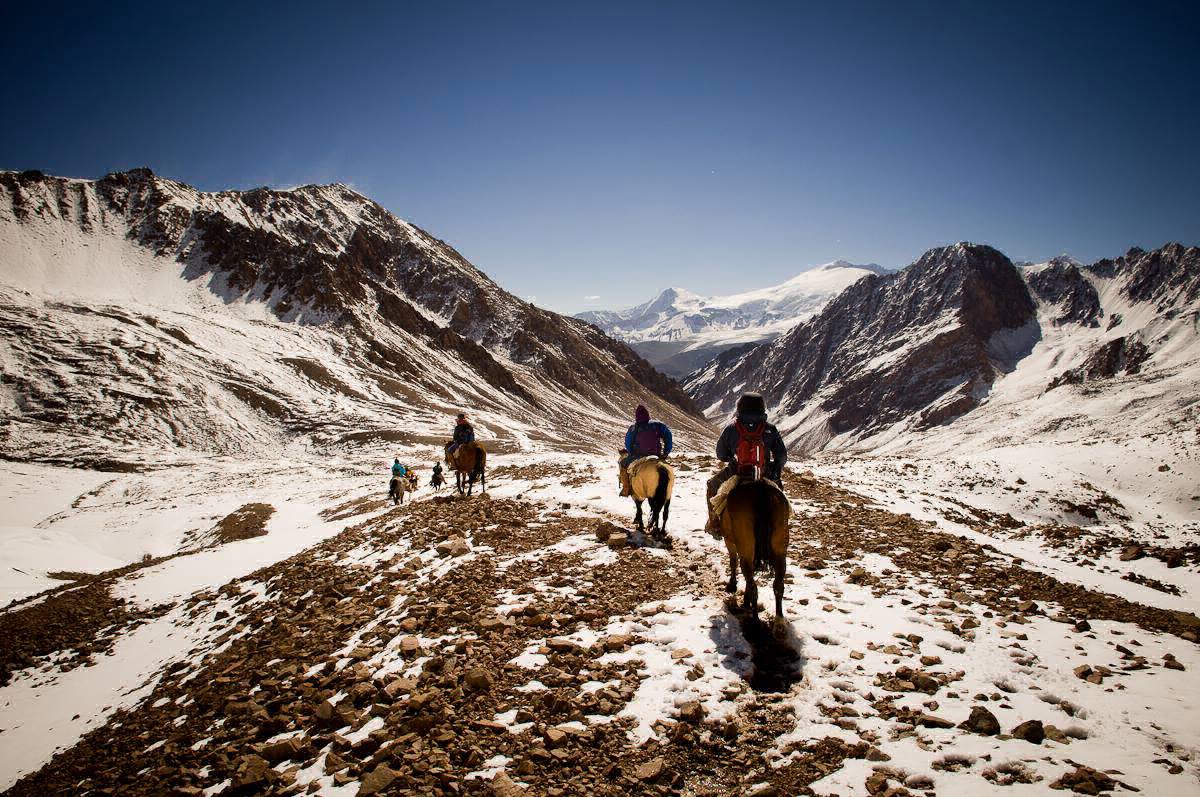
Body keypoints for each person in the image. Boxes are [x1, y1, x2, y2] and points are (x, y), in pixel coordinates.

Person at [705, 392, 787, 534]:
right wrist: (775, 470)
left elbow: (721, 454)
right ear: (762, 408)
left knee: (712, 485)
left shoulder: (731, 429)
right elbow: (781, 456)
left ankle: (715, 524)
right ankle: (782, 522)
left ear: (740, 407)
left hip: (736, 472)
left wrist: (731, 459)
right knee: (779, 493)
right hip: (764, 472)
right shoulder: (770, 429)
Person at [619, 404, 673, 497]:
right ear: (648, 415)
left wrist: (631, 453)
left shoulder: (633, 428)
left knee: (623, 463)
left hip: (638, 456)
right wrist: (666, 452)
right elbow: (668, 437)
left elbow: (628, 444)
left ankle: (626, 488)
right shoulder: (658, 425)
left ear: (636, 416)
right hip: (656, 455)